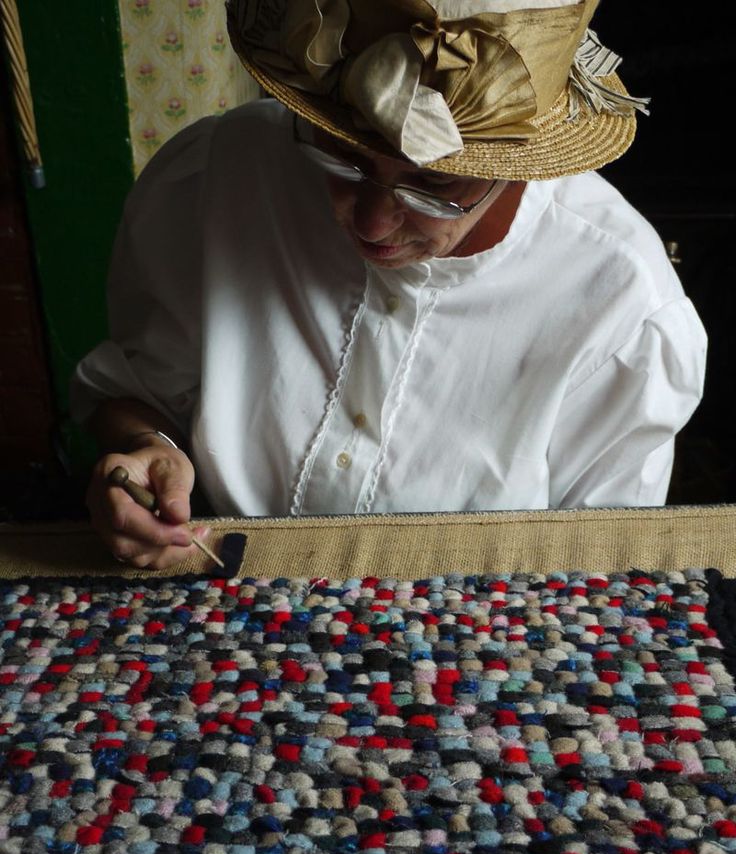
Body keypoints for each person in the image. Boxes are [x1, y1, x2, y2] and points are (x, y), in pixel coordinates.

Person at [72, 0, 707, 569]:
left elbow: (601, 569)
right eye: (342, 156)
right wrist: (143, 447)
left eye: (433, 185)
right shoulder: (220, 175)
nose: (373, 221)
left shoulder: (619, 301)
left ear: (520, 162)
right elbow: (138, 391)